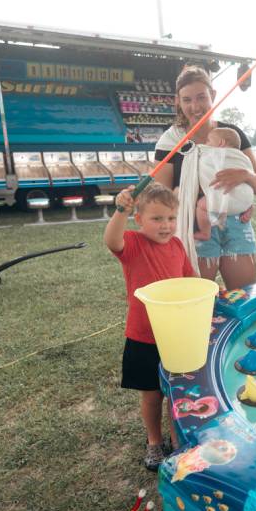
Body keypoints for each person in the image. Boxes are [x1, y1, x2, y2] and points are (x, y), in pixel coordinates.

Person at [104, 182, 196, 471]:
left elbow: (189, 280)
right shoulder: (133, 243)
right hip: (144, 337)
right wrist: (120, 210)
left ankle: (175, 438)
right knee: (152, 394)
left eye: (171, 218)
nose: (166, 225)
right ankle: (154, 442)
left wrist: (211, 290)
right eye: (157, 219)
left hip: (176, 335)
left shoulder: (178, 246)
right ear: (139, 219)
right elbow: (111, 240)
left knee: (176, 393)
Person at [154, 65, 256, 290]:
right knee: (199, 299)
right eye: (187, 100)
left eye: (201, 97)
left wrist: (244, 176)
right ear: (178, 101)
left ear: (213, 95)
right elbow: (159, 197)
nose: (195, 107)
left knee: (243, 296)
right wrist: (186, 199)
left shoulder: (231, 135)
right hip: (194, 226)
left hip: (236, 223)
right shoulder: (170, 142)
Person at [194, 127, 249, 241]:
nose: (206, 143)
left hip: (221, 201)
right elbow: (250, 171)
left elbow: (198, 149)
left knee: (201, 205)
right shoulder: (243, 157)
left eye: (208, 140)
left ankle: (205, 232)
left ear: (221, 143)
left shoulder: (211, 152)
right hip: (244, 202)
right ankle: (222, 215)